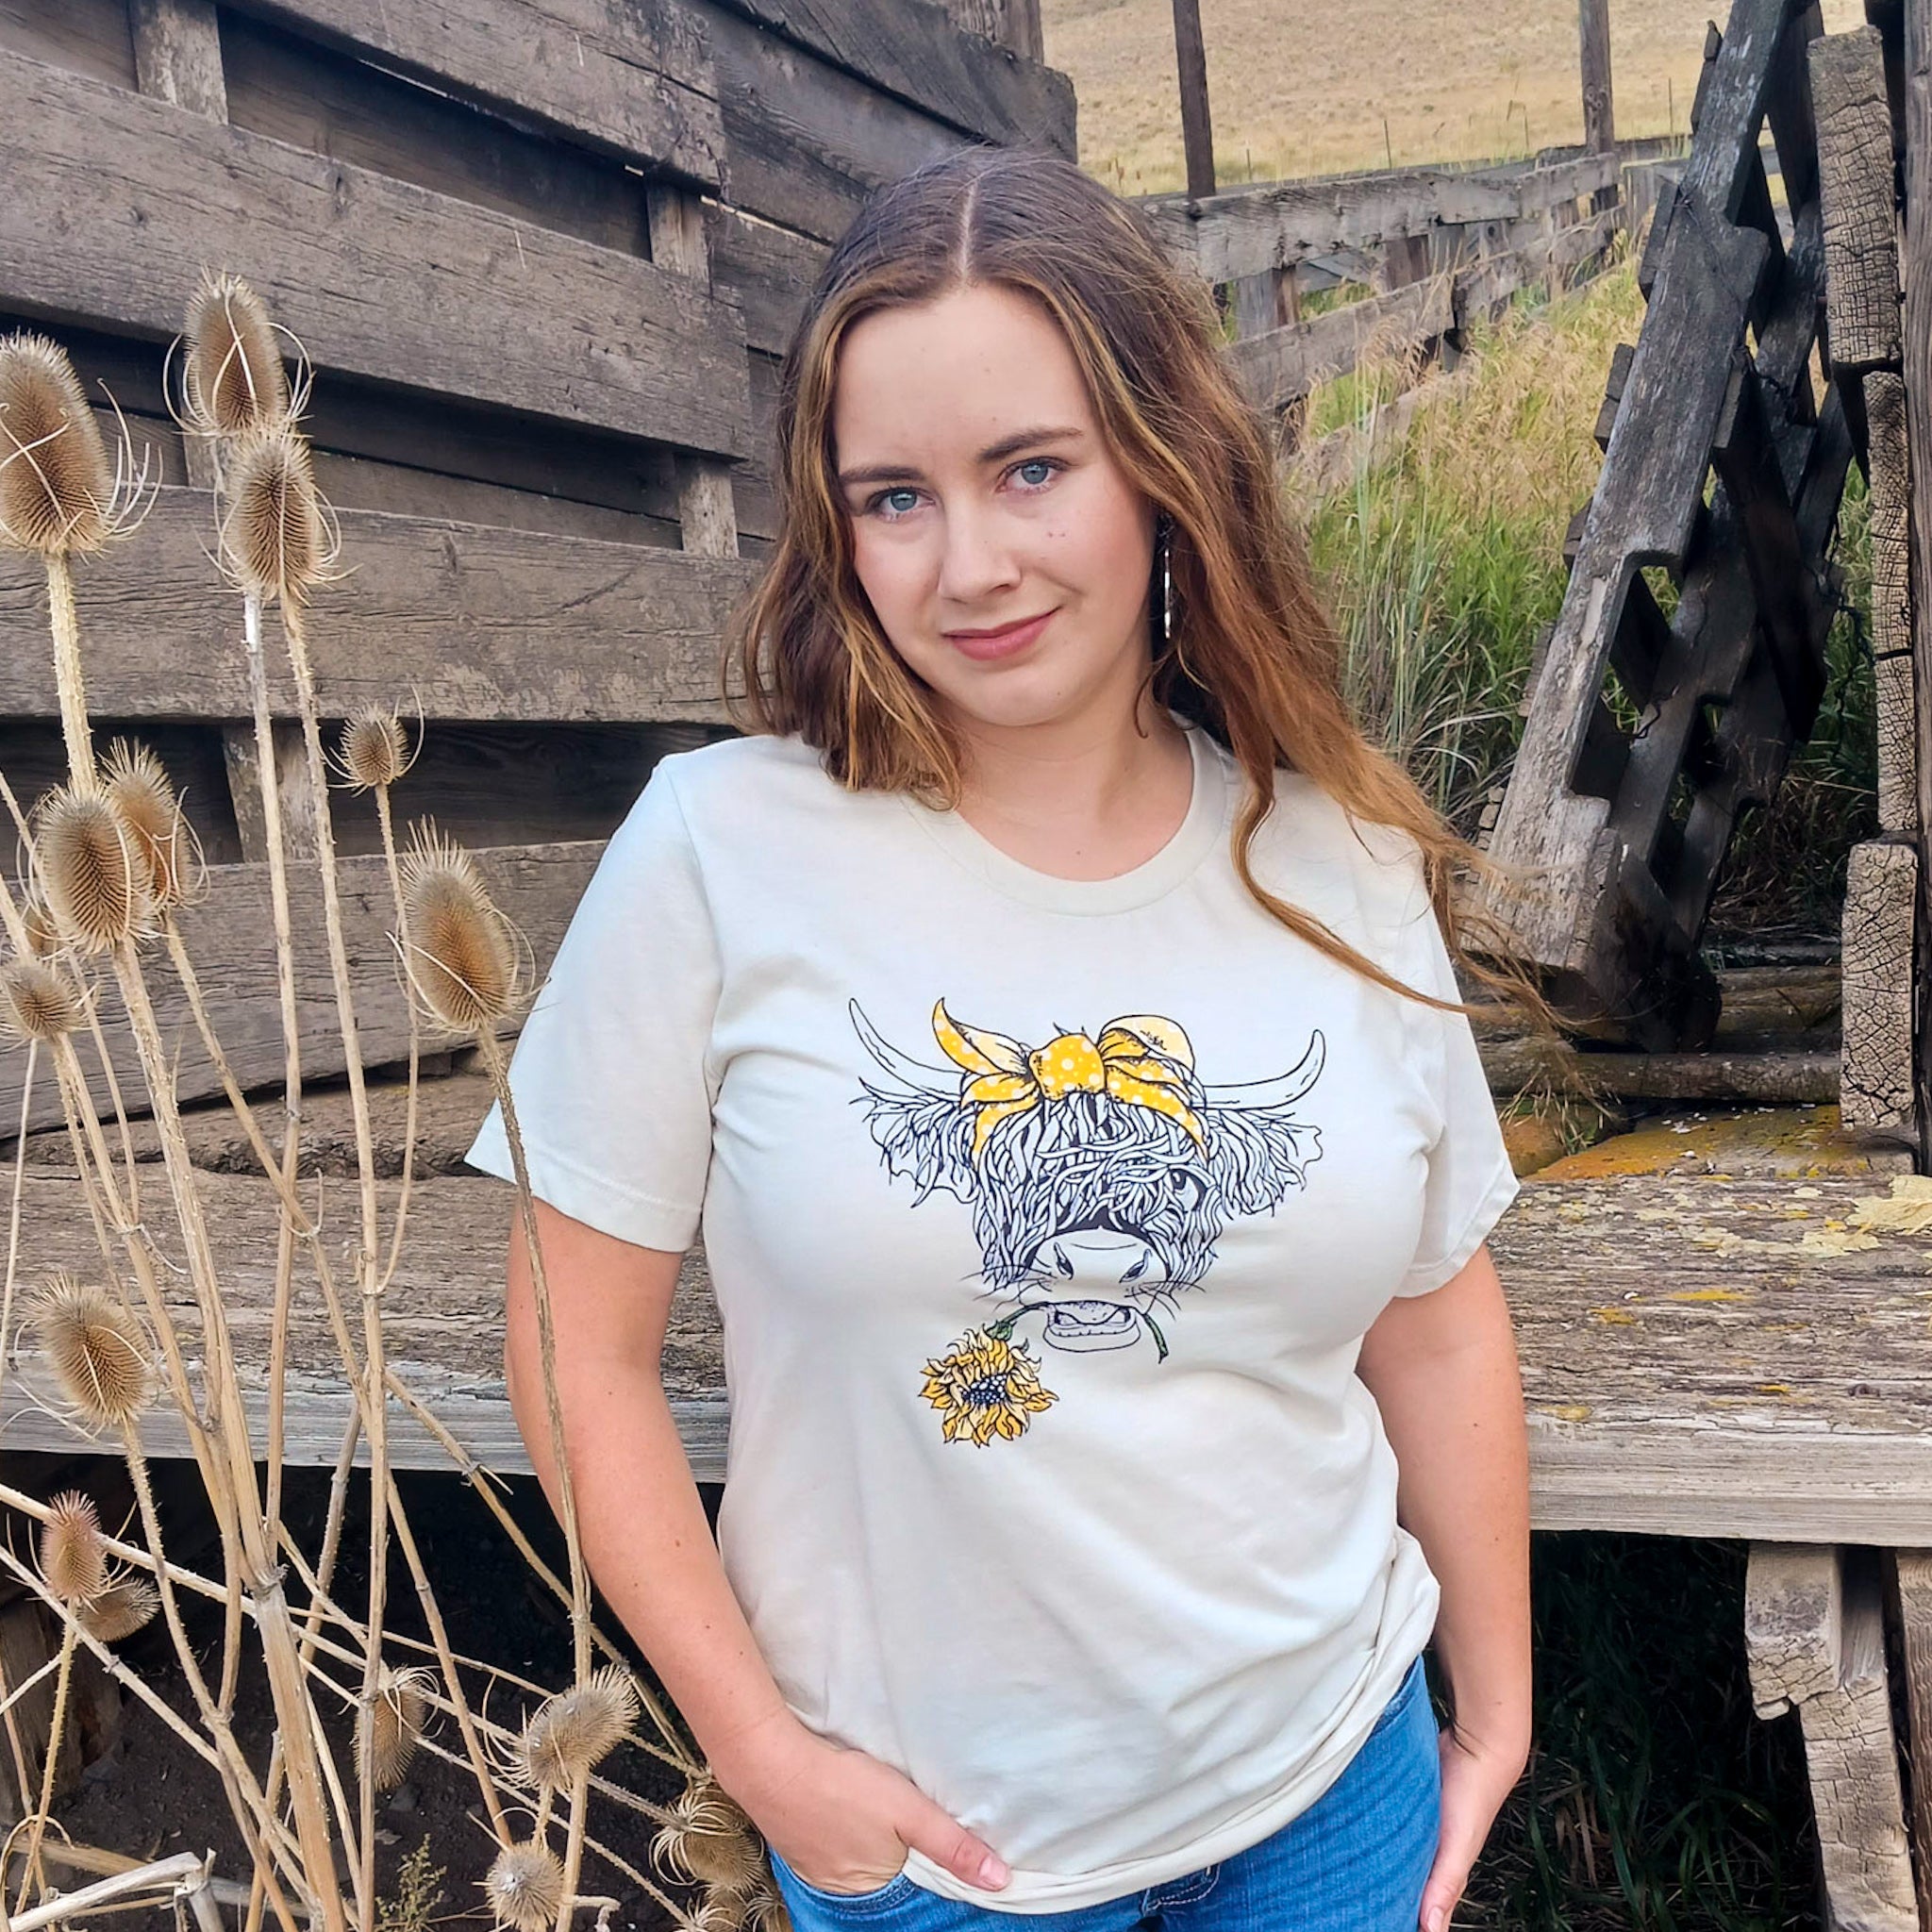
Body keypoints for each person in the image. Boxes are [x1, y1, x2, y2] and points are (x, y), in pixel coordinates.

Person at [464, 142, 1533, 1932]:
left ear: (1163, 466)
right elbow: (580, 1360)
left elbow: (1435, 1315)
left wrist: (1493, 1700)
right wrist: (765, 1763)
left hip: (1333, 1782)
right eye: (896, 497)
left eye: (1031, 469)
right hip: (935, 1848)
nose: (971, 564)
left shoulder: (1339, 856)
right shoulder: (719, 852)